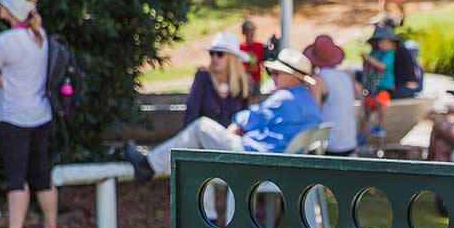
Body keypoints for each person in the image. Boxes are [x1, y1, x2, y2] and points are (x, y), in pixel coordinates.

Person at [123, 48, 320, 180]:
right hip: (281, 165)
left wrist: (237, 124)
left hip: (259, 160)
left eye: (277, 73)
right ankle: (210, 214)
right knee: (201, 147)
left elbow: (251, 118)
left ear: (294, 77)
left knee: (202, 127)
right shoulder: (309, 102)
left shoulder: (284, 98)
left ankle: (147, 165)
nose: (273, 77)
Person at [0, 0, 57, 228]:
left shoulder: (4, 42)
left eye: (3, 3)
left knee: (17, 177)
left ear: (11, 9)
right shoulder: (42, 36)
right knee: (42, 175)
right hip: (41, 114)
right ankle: (51, 227)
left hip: (14, 116)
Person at [303, 35, 358, 156]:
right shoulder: (346, 77)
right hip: (349, 143)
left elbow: (313, 114)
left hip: (330, 146)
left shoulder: (318, 80)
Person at [184, 33, 253, 129]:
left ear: (232, 58)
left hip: (231, 140)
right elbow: (191, 114)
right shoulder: (203, 78)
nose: (214, 58)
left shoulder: (243, 82)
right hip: (203, 139)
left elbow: (245, 119)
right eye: (212, 53)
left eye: (220, 54)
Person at [359, 24, 398, 142]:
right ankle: (362, 134)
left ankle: (381, 126)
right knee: (367, 108)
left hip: (384, 86)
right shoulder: (375, 53)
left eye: (386, 42)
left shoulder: (389, 54)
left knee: (382, 101)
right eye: (381, 42)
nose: (384, 45)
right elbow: (367, 66)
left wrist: (368, 59)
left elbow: (381, 66)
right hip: (373, 87)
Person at [239, 20, 266, 88]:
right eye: (247, 30)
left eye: (252, 30)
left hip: (257, 80)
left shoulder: (260, 46)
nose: (250, 33)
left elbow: (263, 64)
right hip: (244, 81)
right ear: (243, 32)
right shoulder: (239, 48)